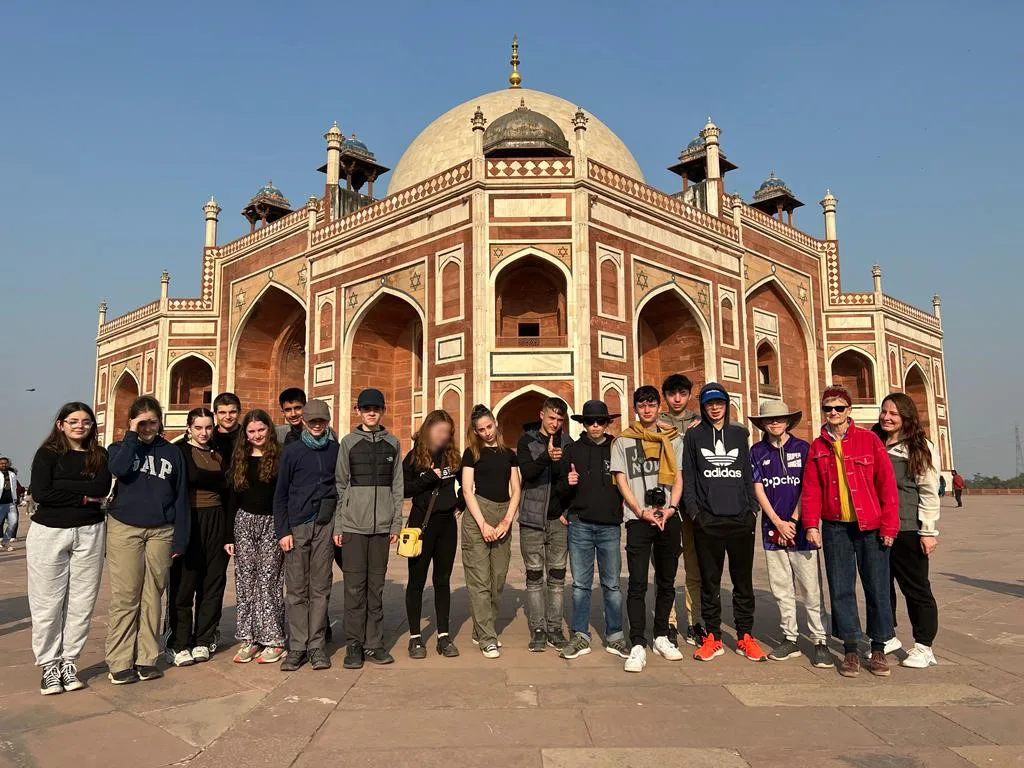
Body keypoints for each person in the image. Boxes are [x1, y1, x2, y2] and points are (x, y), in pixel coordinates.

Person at [802, 385, 899, 678]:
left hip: (870, 526)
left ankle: (879, 647)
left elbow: (887, 486)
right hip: (835, 527)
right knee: (841, 587)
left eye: (838, 408)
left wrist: (889, 526)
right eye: (828, 408)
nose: (833, 413)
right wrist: (810, 525)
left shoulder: (869, 441)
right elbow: (811, 490)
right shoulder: (818, 446)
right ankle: (850, 650)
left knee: (877, 585)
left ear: (849, 410)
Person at [27, 402, 112, 695]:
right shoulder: (48, 454)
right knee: (47, 601)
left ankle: (69, 661)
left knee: (82, 601)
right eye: (73, 421)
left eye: (86, 421)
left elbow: (101, 489)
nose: (80, 426)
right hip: (49, 531)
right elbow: (42, 492)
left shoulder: (99, 455)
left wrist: (69, 489)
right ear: (61, 424)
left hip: (90, 532)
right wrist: (84, 497)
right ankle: (49, 664)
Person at [105, 396, 189, 685]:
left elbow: (180, 495)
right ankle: (119, 660)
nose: (147, 426)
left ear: (160, 421)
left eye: (152, 421)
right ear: (132, 422)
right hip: (125, 528)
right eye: (141, 421)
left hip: (160, 530)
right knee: (126, 595)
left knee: (153, 595)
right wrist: (131, 436)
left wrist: (180, 537)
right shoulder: (120, 448)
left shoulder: (172, 453)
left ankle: (146, 657)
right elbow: (118, 469)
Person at [682, 383, 767, 663]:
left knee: (743, 583)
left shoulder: (739, 434)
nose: (715, 408)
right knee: (710, 583)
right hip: (709, 521)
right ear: (704, 407)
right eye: (709, 404)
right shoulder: (694, 437)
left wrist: (752, 509)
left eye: (719, 403)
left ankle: (745, 635)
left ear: (726, 404)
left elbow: (746, 473)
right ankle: (713, 637)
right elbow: (690, 478)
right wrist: (696, 514)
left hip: (740, 519)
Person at [748, 401, 831, 668]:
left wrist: (793, 520)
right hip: (772, 529)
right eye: (770, 419)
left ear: (788, 421)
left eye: (780, 418)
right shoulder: (757, 451)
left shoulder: (803, 448)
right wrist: (777, 522)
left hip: (802, 529)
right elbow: (758, 488)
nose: (775, 423)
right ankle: (790, 638)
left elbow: (809, 487)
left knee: (810, 588)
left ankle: (819, 640)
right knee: (782, 588)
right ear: (762, 423)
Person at [611, 385, 684, 673]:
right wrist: (640, 510)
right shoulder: (623, 441)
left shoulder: (673, 439)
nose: (647, 409)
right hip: (638, 518)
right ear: (636, 408)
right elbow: (621, 479)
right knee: (638, 583)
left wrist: (671, 508)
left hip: (668, 516)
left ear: (658, 406)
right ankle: (638, 642)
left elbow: (678, 477)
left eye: (651, 404)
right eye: (642, 405)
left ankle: (662, 635)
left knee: (667, 581)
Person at [334, 388, 403, 670]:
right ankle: (354, 644)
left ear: (382, 410)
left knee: (376, 588)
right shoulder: (348, 443)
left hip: (381, 528)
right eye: (366, 408)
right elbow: (340, 486)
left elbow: (397, 486)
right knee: (354, 588)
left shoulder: (393, 444)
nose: (371, 412)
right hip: (353, 526)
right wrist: (339, 524)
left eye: (375, 408)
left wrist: (396, 523)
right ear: (358, 411)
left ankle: (374, 643)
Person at [557, 400, 629, 660]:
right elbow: (560, 489)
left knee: (611, 585)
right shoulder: (573, 450)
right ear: (583, 424)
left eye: (600, 421)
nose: (595, 425)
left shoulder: (617, 447)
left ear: (608, 423)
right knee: (580, 585)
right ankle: (580, 635)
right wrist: (568, 482)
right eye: (590, 421)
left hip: (610, 525)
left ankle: (615, 636)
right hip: (581, 525)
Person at [873, 393, 941, 669]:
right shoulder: (874, 442)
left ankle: (924, 646)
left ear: (906, 417)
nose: (887, 417)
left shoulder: (918, 446)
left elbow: (928, 490)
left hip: (909, 528)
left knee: (916, 589)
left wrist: (929, 530)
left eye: (894, 414)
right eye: (884, 412)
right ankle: (887, 636)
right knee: (881, 586)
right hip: (878, 527)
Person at [274, 399, 339, 672]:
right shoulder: (292, 451)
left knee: (321, 586)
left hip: (325, 524)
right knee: (297, 589)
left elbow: (341, 487)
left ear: (327, 422)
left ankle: (316, 645)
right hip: (298, 525)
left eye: (321, 421)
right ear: (303, 421)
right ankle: (298, 646)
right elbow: (281, 494)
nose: (316, 425)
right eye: (312, 421)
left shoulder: (335, 450)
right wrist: (283, 530)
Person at [167, 408, 228, 667]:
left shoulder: (219, 452)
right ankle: (179, 642)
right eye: (199, 428)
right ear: (189, 427)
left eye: (208, 427)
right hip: (188, 519)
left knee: (212, 581)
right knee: (184, 582)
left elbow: (228, 489)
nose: (204, 433)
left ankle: (204, 638)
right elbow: (179, 485)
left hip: (216, 518)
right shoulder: (179, 451)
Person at [226, 409, 286, 664]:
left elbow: (284, 497)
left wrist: (285, 529)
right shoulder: (240, 458)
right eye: (251, 431)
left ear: (268, 429)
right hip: (244, 522)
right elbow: (232, 497)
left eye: (261, 429)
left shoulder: (280, 457)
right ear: (245, 434)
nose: (257, 435)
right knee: (245, 581)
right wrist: (229, 535)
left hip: (272, 523)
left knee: (268, 580)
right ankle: (249, 638)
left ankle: (274, 639)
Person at [461, 404, 520, 658]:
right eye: (481, 429)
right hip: (477, 516)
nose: (486, 432)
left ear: (496, 424)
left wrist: (506, 520)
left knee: (497, 579)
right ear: (475, 431)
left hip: (502, 514)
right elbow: (466, 490)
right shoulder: (471, 453)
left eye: (489, 427)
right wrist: (483, 523)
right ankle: (487, 636)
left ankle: (480, 627)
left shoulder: (509, 454)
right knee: (480, 580)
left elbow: (516, 489)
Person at [402, 410, 462, 659]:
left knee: (442, 580)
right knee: (416, 581)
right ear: (428, 429)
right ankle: (416, 637)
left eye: (447, 433)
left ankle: (443, 636)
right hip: (420, 525)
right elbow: (403, 489)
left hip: (446, 525)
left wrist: (461, 503)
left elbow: (468, 482)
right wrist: (426, 478)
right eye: (439, 431)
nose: (443, 436)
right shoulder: (414, 457)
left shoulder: (452, 457)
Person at [516, 397, 572, 651]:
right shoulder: (527, 440)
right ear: (542, 415)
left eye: (560, 419)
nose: (555, 423)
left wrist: (568, 510)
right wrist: (547, 457)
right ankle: (538, 628)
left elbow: (572, 481)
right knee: (535, 575)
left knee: (558, 577)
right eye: (552, 418)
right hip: (532, 518)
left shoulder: (568, 443)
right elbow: (527, 474)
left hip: (558, 520)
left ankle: (554, 628)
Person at [657, 373, 705, 647]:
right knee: (667, 564)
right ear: (665, 395)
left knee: (693, 563)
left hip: (693, 500)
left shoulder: (701, 421)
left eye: (682, 393)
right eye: (672, 393)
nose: (677, 398)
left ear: (689, 395)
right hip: (666, 498)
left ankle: (695, 621)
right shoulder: (656, 421)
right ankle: (670, 621)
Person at [0, 455, 25, 551]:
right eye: (1, 463)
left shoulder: (12, 475)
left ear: (8, 464)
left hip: (11, 503)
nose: (3, 465)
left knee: (13, 522)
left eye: (5, 463)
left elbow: (14, 488)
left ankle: (5, 541)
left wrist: (15, 499)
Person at [212, 392, 242, 459]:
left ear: (239, 413)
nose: (228, 417)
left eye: (232, 412)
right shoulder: (208, 439)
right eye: (222, 413)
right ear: (215, 415)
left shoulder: (248, 437)